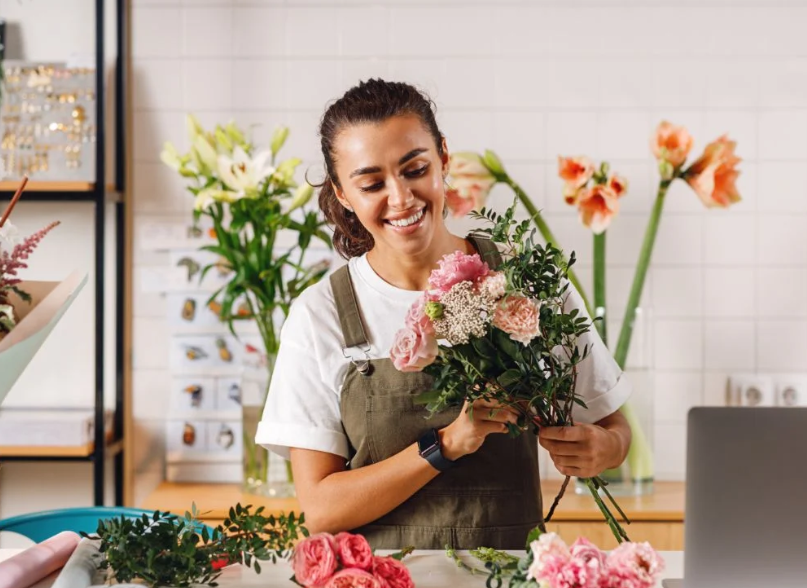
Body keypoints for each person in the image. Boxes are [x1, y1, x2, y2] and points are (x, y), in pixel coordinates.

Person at [255, 79, 632, 550]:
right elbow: (321, 510)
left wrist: (600, 450)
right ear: (343, 195)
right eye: (372, 183)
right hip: (380, 581)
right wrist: (448, 443)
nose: (401, 197)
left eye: (415, 169)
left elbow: (616, 431)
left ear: (444, 159)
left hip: (509, 579)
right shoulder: (322, 313)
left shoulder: (527, 280)